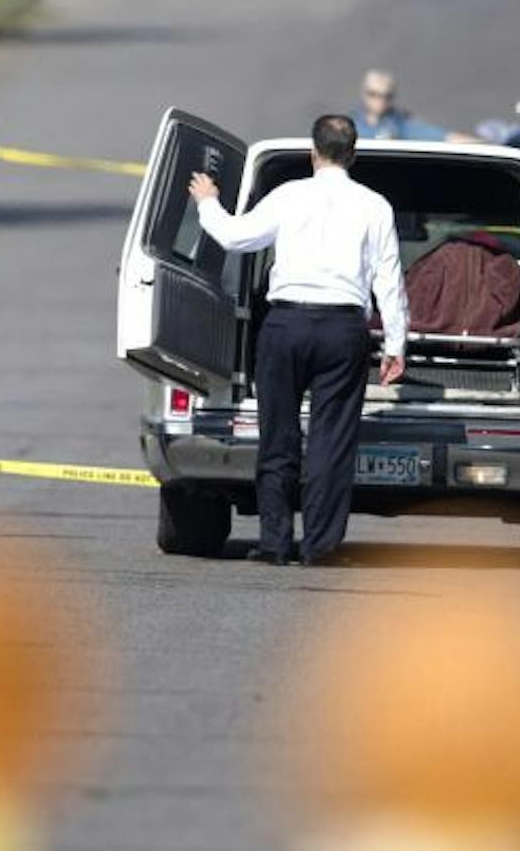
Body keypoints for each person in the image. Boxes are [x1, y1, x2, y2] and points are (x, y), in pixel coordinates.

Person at [186, 114, 408, 566]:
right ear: (354, 154)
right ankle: (321, 547)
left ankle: (274, 542)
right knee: (331, 441)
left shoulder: (288, 196)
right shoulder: (375, 206)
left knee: (278, 436)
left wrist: (208, 202)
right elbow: (389, 281)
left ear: (314, 152)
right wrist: (395, 345)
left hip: (285, 326)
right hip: (343, 330)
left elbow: (234, 237)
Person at [352, 68, 475, 143]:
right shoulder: (350, 125)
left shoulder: (401, 124)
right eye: (373, 94)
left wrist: (485, 144)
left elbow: (444, 137)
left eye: (386, 95)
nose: (380, 100)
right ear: (363, 93)